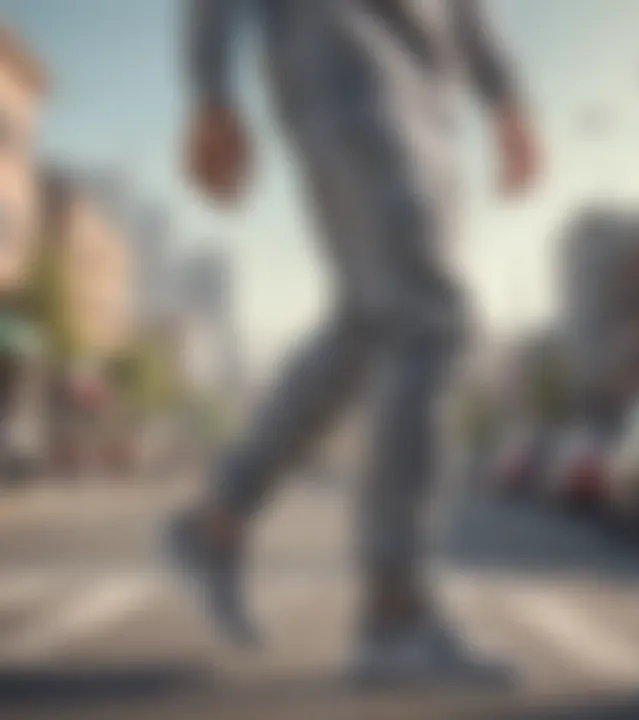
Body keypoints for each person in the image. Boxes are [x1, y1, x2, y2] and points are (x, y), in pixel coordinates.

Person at [168, 0, 540, 684]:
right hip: (338, 53)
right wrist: (209, 86)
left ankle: (217, 519)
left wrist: (505, 91)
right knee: (430, 316)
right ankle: (396, 612)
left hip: (431, 85)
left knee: (373, 321)